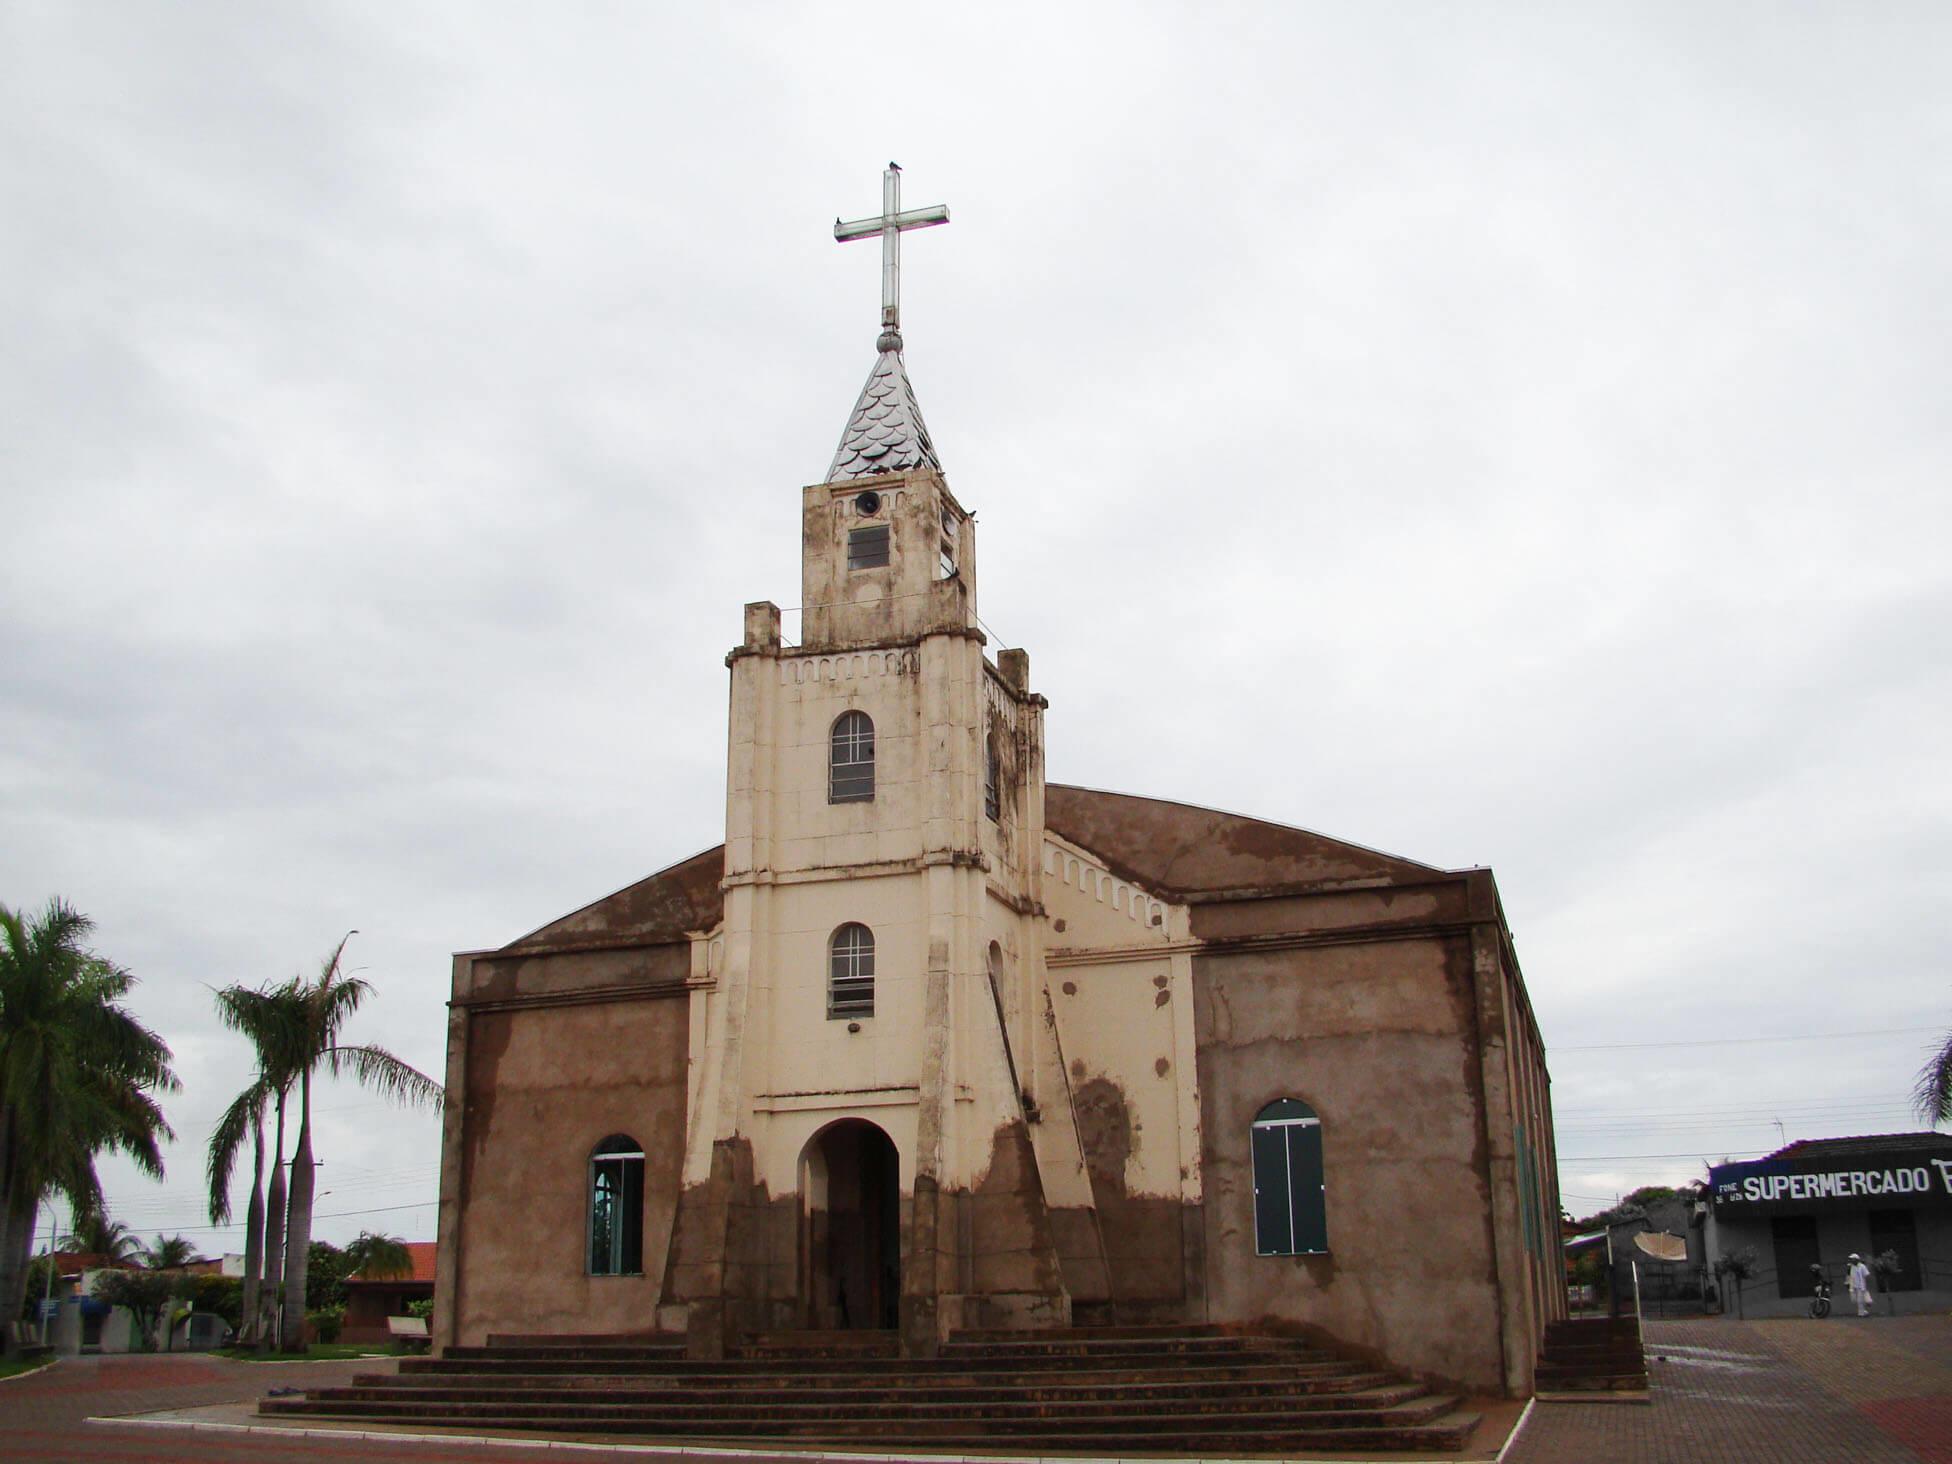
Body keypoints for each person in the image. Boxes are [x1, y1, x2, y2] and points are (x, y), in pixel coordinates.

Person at [1847, 1252, 1873, 1317]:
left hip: (1861, 1286)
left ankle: (1861, 1313)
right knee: (1854, 1300)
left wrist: (1866, 1285)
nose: (1851, 1260)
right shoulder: (1851, 1267)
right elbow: (1850, 1276)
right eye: (1851, 1259)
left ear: (1856, 1259)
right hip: (1853, 1286)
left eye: (1852, 1259)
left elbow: (1867, 1275)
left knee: (1860, 1301)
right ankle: (1864, 1311)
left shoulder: (1862, 1266)